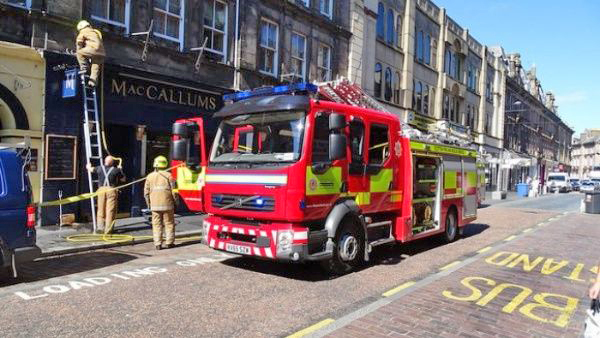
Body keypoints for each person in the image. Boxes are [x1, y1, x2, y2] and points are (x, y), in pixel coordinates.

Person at [144, 156, 178, 250]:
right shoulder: (169, 176)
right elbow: (174, 191)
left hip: (154, 206)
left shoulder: (149, 176)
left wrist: (149, 204)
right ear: (165, 164)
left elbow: (146, 193)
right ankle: (169, 242)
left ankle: (158, 243)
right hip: (168, 205)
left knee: (156, 224)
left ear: (155, 165)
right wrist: (176, 202)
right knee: (169, 223)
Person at [86, 156, 125, 234]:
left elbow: (90, 169)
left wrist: (88, 166)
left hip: (101, 191)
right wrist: (120, 169)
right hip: (111, 190)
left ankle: (100, 228)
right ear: (113, 163)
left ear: (104, 161)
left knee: (100, 209)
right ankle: (108, 229)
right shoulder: (116, 170)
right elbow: (123, 179)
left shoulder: (99, 168)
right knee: (110, 210)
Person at [75, 20, 105, 87]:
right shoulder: (95, 32)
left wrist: (79, 50)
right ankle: (92, 83)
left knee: (79, 53)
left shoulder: (83, 31)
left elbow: (79, 43)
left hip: (93, 50)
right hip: (101, 53)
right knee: (95, 67)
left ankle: (84, 68)